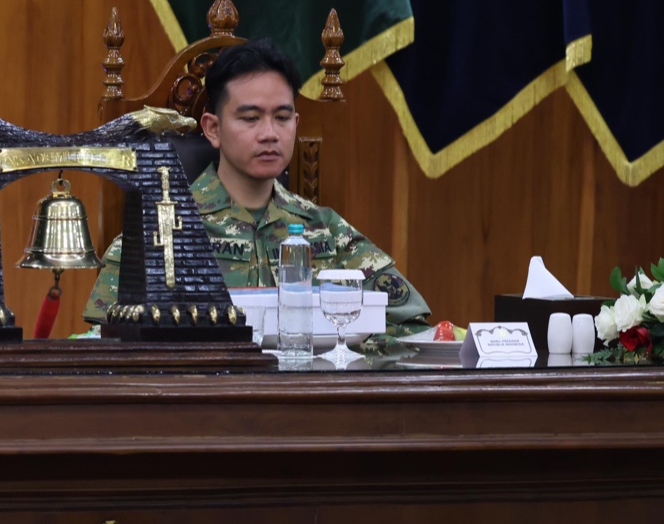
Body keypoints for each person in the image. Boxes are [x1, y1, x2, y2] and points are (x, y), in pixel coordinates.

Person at [84, 39, 431, 336]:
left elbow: (412, 325)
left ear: (295, 124)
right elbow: (105, 342)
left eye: (281, 118)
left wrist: (343, 356)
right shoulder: (162, 233)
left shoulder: (324, 230)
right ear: (213, 128)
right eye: (250, 118)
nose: (270, 133)